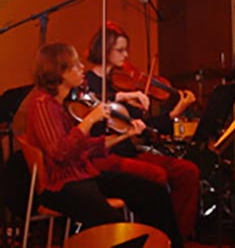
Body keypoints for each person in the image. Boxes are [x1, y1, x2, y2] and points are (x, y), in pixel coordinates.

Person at [25, 42, 183, 247]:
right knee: (115, 226)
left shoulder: (60, 103)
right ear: (60, 72)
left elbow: (86, 147)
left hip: (83, 174)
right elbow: (60, 152)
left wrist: (125, 135)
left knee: (154, 193)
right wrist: (90, 120)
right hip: (60, 186)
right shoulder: (42, 104)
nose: (82, 68)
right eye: (75, 65)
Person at [84, 21, 200, 239]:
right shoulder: (87, 83)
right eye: (119, 50)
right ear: (104, 50)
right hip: (104, 155)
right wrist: (124, 97)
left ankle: (176, 238)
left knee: (187, 172)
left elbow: (144, 126)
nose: (126, 55)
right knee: (155, 175)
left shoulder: (116, 83)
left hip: (128, 151)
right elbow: (91, 103)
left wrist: (175, 112)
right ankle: (151, 237)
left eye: (125, 49)